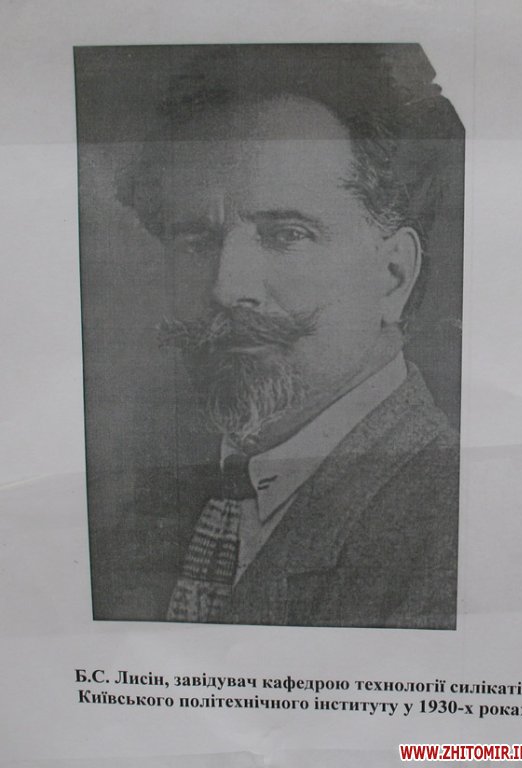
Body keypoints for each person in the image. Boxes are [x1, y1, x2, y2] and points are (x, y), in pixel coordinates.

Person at [104, 44, 463, 628]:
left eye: (287, 234)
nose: (226, 288)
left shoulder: (454, 531)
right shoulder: (152, 509)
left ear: (393, 275)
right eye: (195, 241)